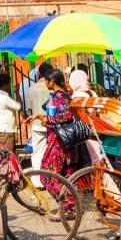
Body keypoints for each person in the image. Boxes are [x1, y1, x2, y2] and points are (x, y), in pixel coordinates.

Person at [25, 68, 81, 209]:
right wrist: (40, 116)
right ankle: (71, 207)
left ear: (52, 81)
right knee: (66, 175)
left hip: (59, 142)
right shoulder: (58, 95)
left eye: (46, 80)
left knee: (47, 175)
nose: (45, 83)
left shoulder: (61, 96)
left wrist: (48, 120)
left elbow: (67, 116)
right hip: (58, 140)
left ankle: (68, 205)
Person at [24, 62, 54, 180]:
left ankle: (37, 181)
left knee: (37, 152)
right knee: (52, 152)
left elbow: (28, 109)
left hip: (37, 125)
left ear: (39, 74)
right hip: (52, 124)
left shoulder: (32, 88)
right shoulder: (53, 87)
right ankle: (51, 179)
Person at [0, 73, 22, 154]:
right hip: (6, 131)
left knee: (1, 154)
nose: (9, 87)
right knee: (7, 156)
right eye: (9, 84)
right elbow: (19, 106)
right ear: (5, 85)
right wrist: (17, 92)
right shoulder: (5, 98)